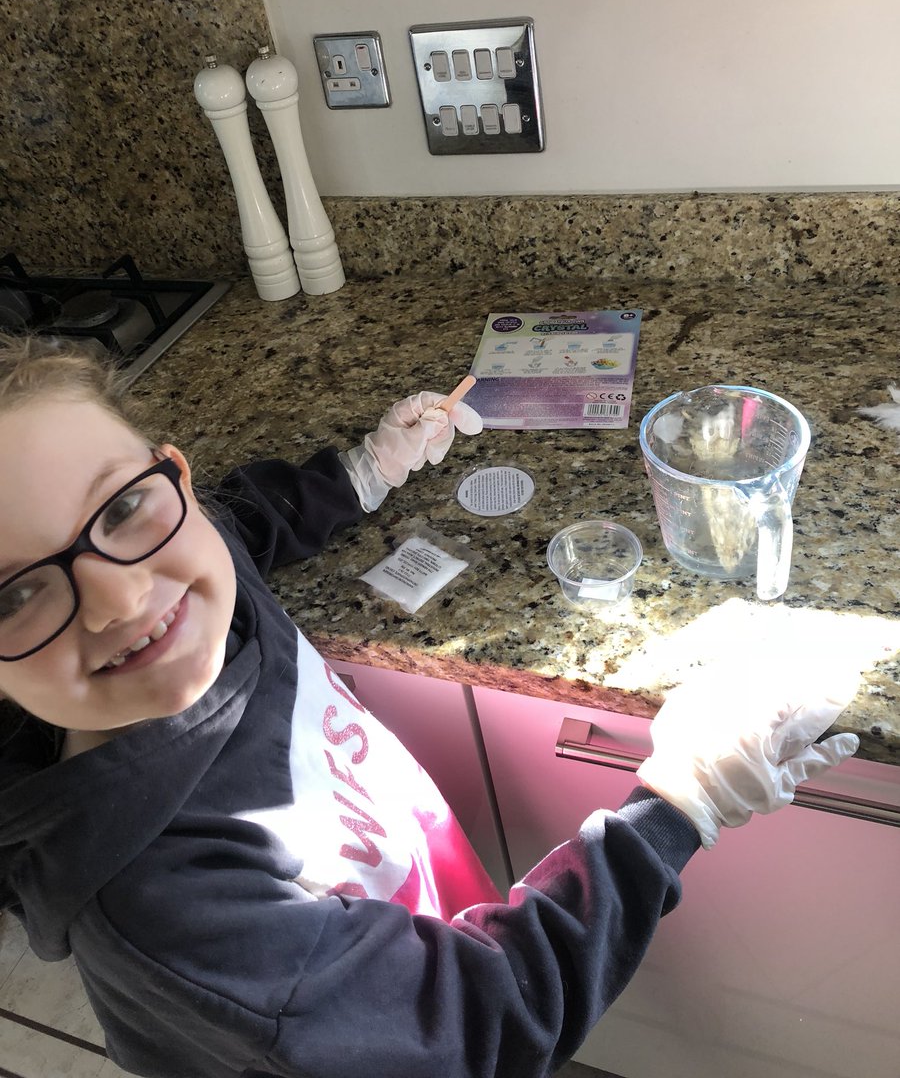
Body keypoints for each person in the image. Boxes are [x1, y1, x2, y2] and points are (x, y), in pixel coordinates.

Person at [0, 333, 859, 1078]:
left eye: (120, 506)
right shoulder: (164, 908)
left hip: (413, 922)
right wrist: (681, 804)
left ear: (172, 475)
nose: (119, 598)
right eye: (13, 596)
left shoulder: (187, 567)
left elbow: (239, 524)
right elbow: (473, 1030)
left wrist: (365, 470)